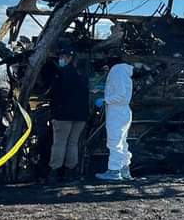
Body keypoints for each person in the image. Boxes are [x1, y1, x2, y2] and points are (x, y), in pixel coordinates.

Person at [46, 47, 89, 183]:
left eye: (63, 56)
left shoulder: (60, 74)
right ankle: (70, 172)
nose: (61, 59)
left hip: (62, 115)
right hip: (80, 115)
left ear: (69, 58)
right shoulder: (81, 75)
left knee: (59, 143)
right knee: (73, 143)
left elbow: (53, 93)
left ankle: (54, 172)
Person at [96, 59, 134, 181]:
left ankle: (114, 171)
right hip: (122, 111)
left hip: (117, 111)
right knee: (122, 142)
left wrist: (106, 99)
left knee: (115, 141)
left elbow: (121, 96)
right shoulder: (123, 70)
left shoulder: (117, 70)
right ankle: (124, 170)